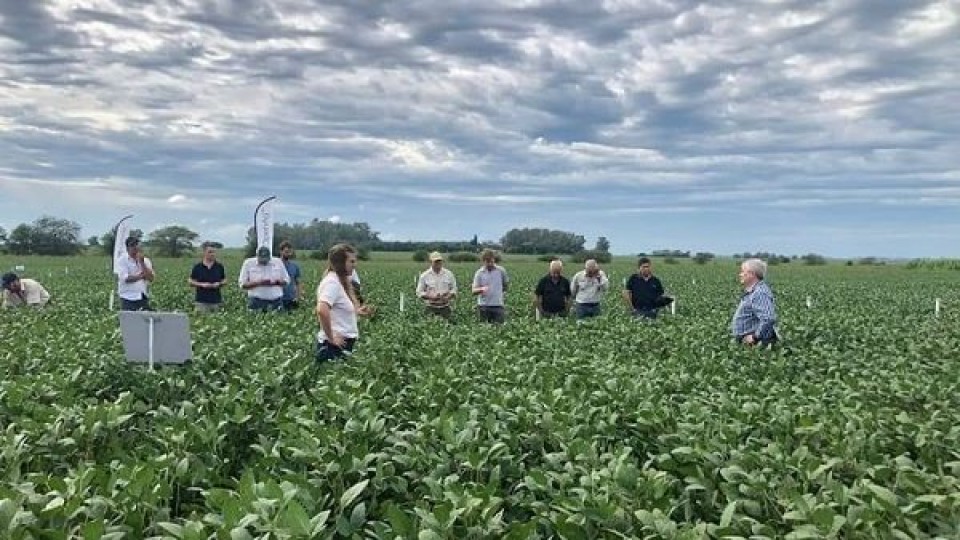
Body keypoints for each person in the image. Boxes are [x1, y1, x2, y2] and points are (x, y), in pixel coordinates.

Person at [316, 243, 374, 362]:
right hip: (333, 346)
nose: (355, 265)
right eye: (351, 262)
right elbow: (322, 310)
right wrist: (331, 337)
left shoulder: (340, 281)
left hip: (342, 344)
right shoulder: (332, 283)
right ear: (340, 263)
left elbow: (338, 310)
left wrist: (357, 311)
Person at [731, 258, 779, 346]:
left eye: (742, 271)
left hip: (756, 344)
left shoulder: (759, 293)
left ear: (752, 274)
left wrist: (755, 337)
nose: (740, 274)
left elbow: (768, 318)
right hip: (750, 343)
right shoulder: (754, 291)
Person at [238, 246, 290, 312]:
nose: (264, 262)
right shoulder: (248, 263)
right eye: (262, 259)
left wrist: (277, 282)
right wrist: (259, 282)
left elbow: (287, 280)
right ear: (257, 256)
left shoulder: (278, 262)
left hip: (277, 302)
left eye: (266, 259)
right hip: (256, 302)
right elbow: (242, 284)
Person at [117, 236, 155, 311]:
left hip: (142, 296)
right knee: (130, 321)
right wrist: (141, 276)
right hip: (127, 298)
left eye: (137, 245)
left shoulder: (146, 260)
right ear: (127, 248)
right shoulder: (122, 260)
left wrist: (142, 262)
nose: (135, 247)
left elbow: (151, 278)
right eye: (132, 245)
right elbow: (126, 279)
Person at [416, 251, 458, 319]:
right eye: (436, 261)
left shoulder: (449, 274)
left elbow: (454, 289)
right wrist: (431, 297)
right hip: (430, 307)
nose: (438, 263)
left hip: (445, 307)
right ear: (430, 262)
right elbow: (419, 292)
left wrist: (447, 297)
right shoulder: (424, 275)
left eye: (440, 261)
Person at [472, 249, 509, 323]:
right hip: (483, 306)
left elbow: (506, 285)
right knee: (483, 329)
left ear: (494, 260)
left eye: (491, 261)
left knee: (500, 329)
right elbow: (473, 291)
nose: (490, 264)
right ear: (483, 261)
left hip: (498, 305)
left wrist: (498, 294)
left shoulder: (501, 271)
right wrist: (482, 289)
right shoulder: (479, 273)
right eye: (487, 262)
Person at [189, 242, 227, 313]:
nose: (212, 254)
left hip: (216, 301)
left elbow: (225, 280)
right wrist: (201, 285)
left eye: (214, 252)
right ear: (204, 253)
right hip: (201, 301)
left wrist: (219, 284)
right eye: (210, 252)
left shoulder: (219, 266)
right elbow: (190, 281)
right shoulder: (197, 266)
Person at [278, 241, 303, 310]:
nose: (288, 254)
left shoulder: (295, 266)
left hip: (291, 299)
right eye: (286, 251)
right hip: (278, 299)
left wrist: (298, 297)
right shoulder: (275, 265)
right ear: (281, 251)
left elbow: (298, 283)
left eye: (290, 252)